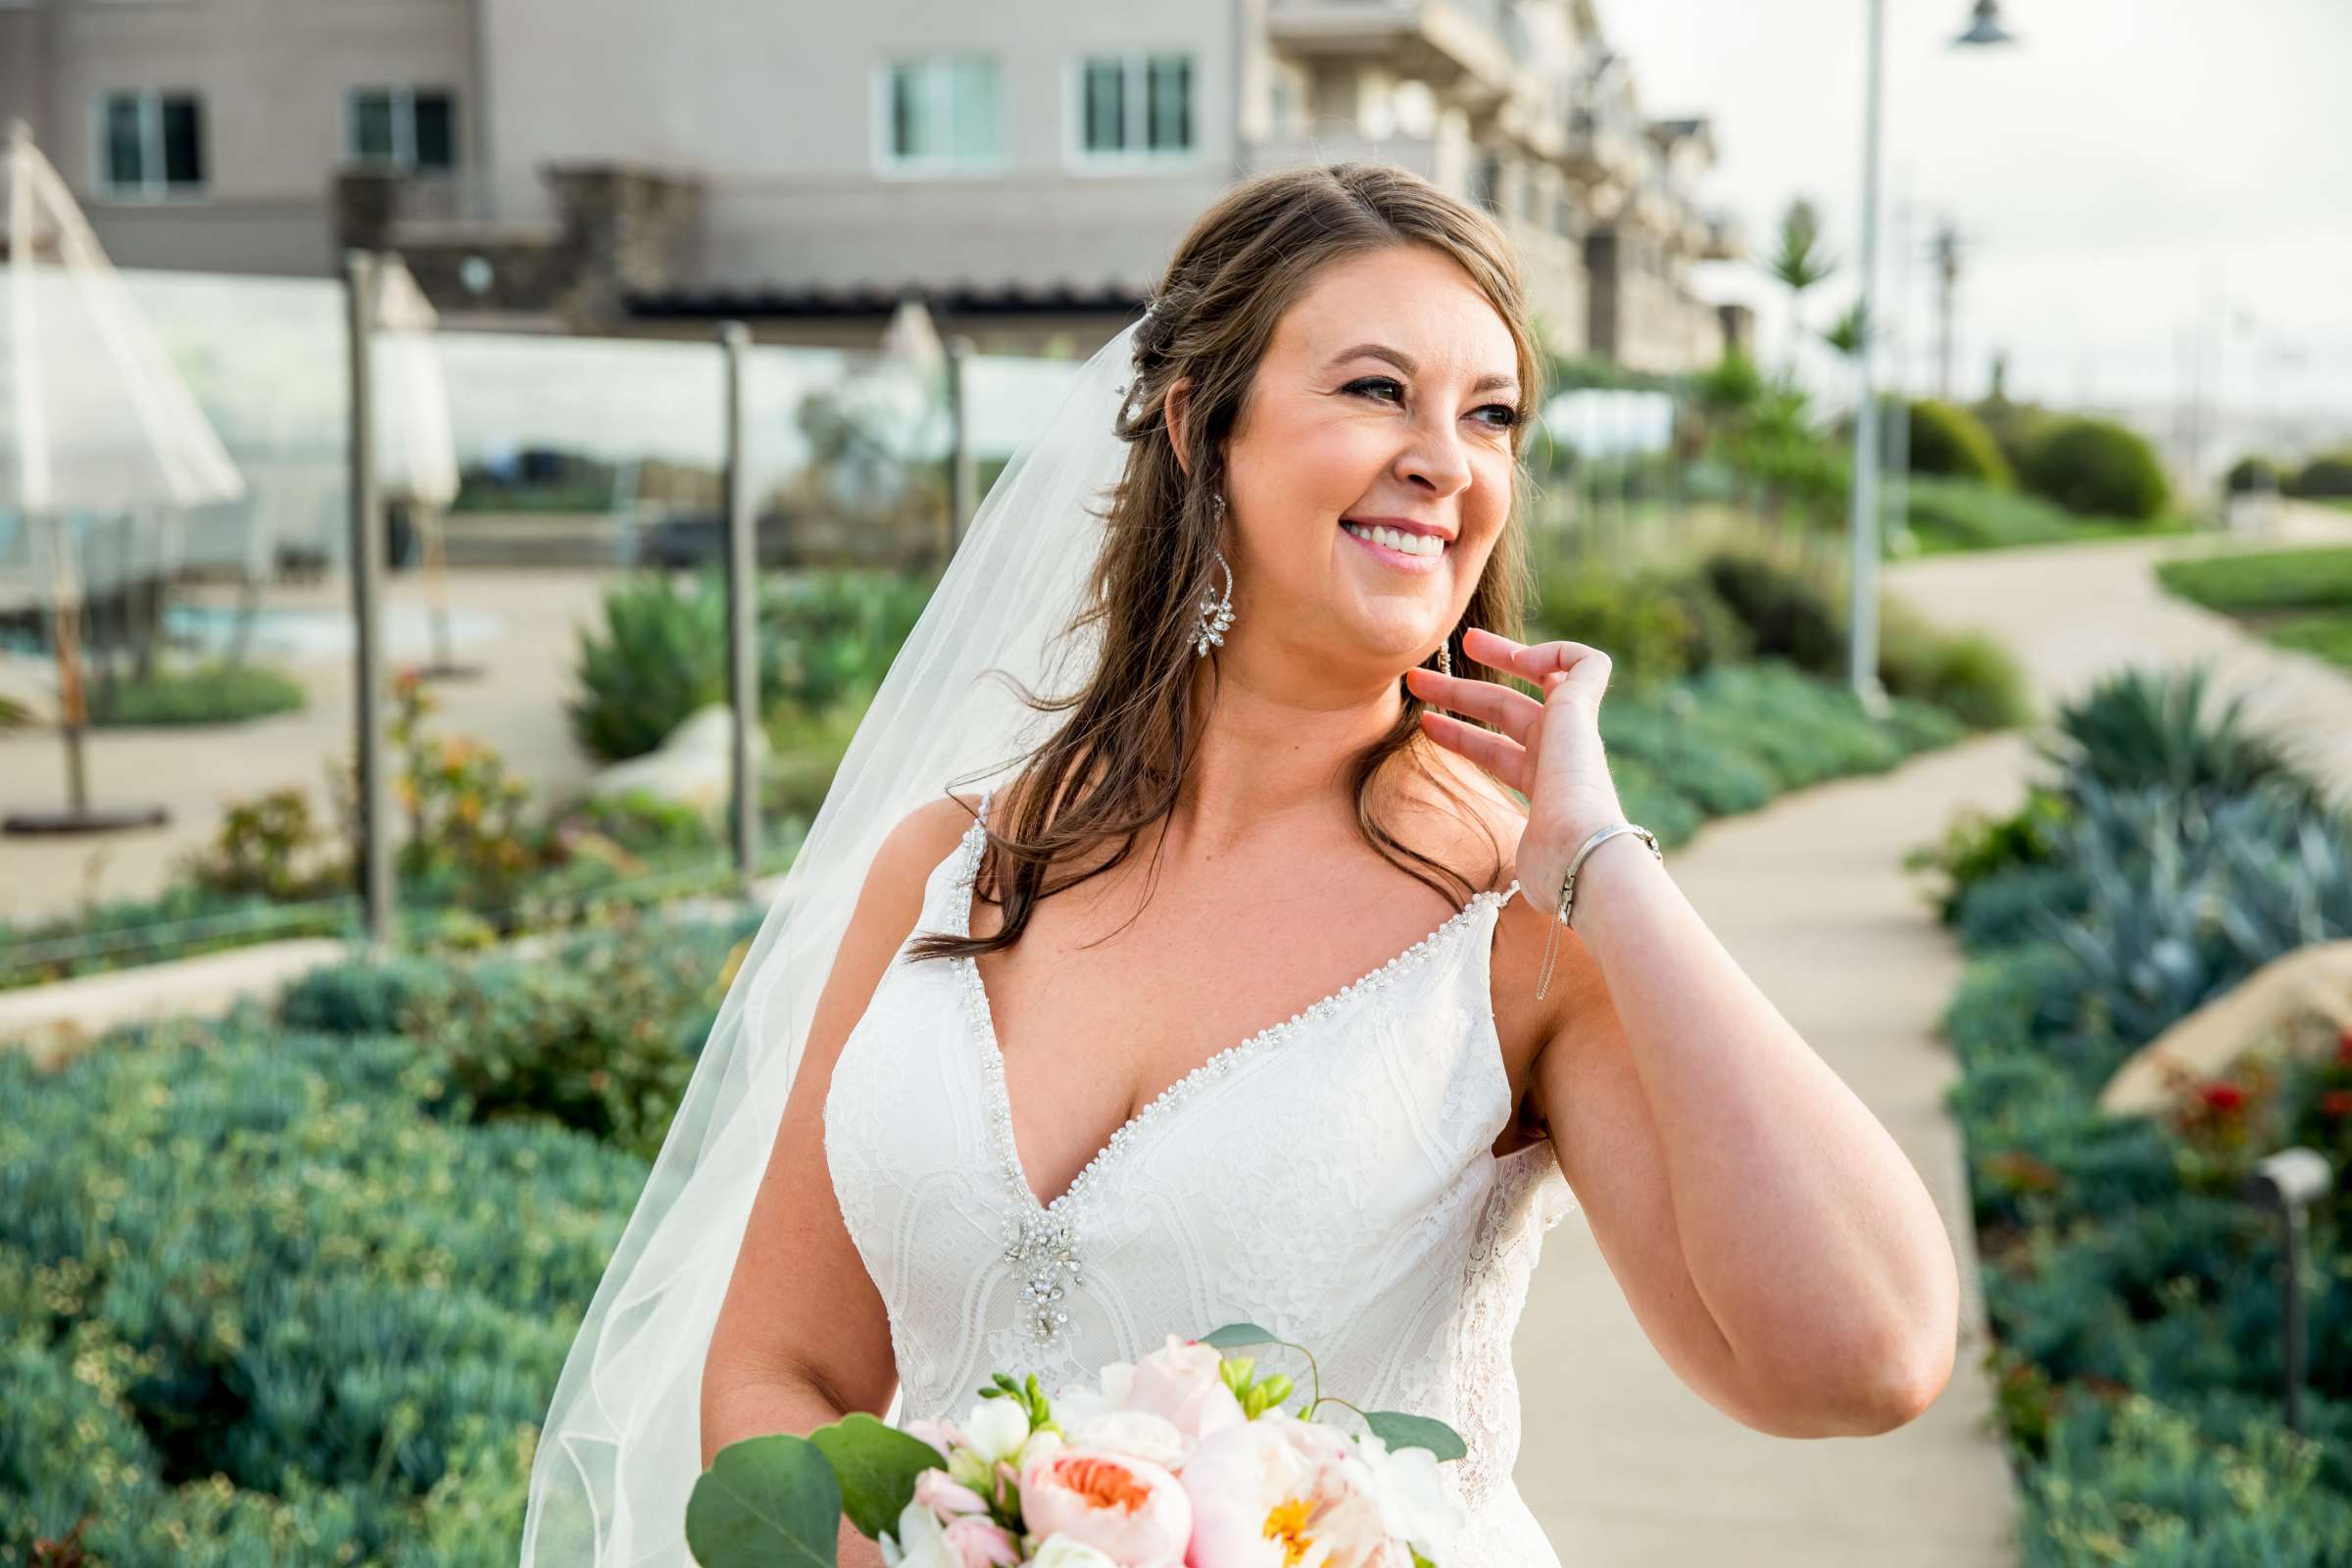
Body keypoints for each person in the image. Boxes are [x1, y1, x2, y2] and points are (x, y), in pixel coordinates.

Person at [522, 162, 1960, 1567]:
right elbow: (781, 1373)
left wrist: (1603, 862)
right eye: (1376, 388)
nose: (1447, 461)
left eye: (1493, 415)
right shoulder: (944, 865)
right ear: (1201, 425)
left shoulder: (1526, 927)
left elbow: (1865, 1358)